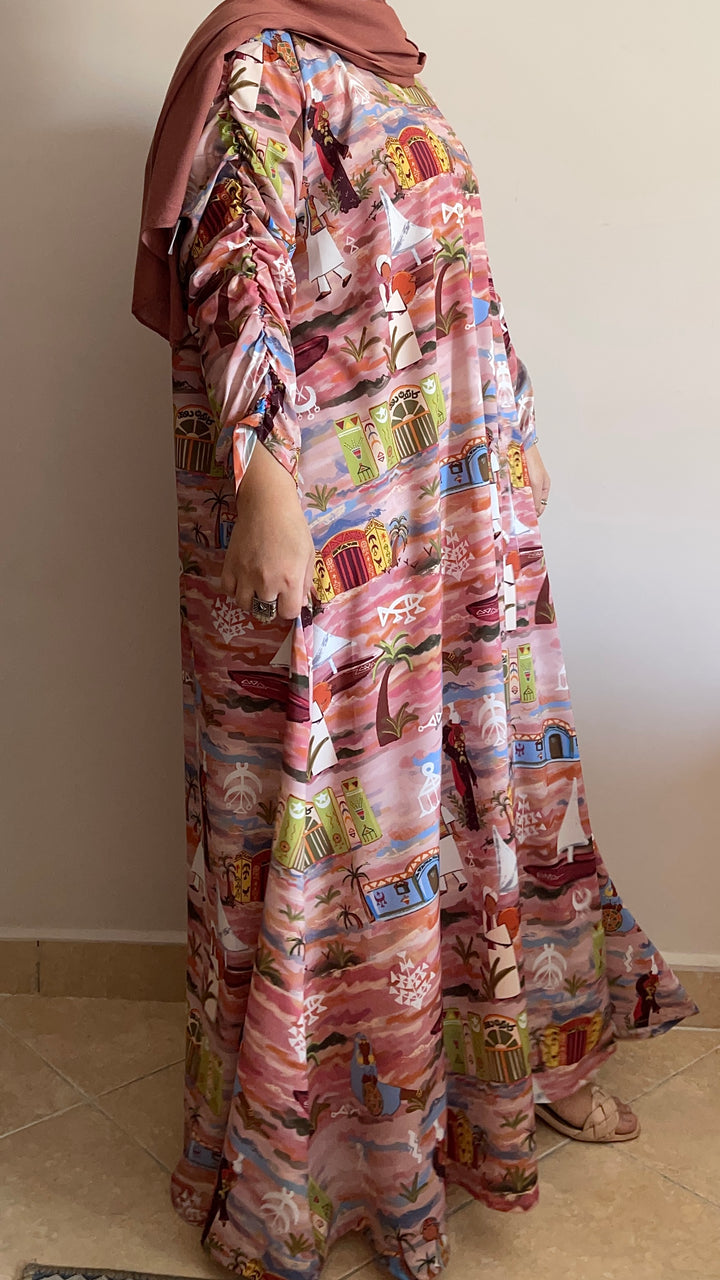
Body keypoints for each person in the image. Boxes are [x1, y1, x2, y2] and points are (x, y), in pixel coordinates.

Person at [132, 2, 699, 1276]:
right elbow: (238, 269)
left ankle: (519, 1071)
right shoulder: (261, 60)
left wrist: (513, 415)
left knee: (493, 778)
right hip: (340, 512)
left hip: (450, 499)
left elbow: (450, 268)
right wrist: (263, 479)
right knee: (344, 812)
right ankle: (323, 1153)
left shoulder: (388, 73)